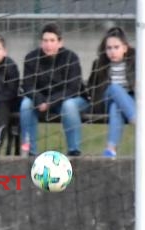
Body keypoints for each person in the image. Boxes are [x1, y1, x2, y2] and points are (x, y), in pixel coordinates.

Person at [87, 26, 145, 158]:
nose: (112, 51)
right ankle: (142, 125)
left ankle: (110, 149)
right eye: (109, 48)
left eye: (116, 47)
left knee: (116, 107)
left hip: (127, 102)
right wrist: (97, 94)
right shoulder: (99, 63)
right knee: (114, 88)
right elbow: (91, 86)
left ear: (125, 47)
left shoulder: (137, 60)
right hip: (104, 101)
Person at [20, 23, 89, 157]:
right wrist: (40, 101)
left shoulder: (71, 58)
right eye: (45, 41)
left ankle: (74, 151)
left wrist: (50, 102)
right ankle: (30, 151)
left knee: (69, 106)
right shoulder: (31, 58)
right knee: (25, 105)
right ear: (41, 42)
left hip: (70, 99)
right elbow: (28, 86)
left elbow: (73, 88)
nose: (48, 45)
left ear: (60, 42)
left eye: (52, 41)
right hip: (41, 102)